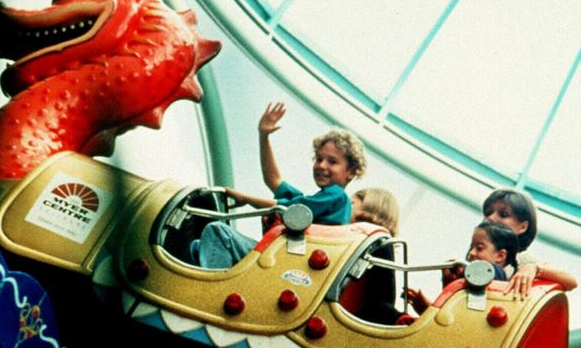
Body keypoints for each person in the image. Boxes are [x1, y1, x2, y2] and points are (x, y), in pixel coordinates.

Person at [193, 102, 367, 268]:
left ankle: (213, 291)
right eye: (319, 159)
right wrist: (264, 136)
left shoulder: (336, 196)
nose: (322, 166)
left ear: (351, 171)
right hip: (281, 258)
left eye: (332, 161)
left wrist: (245, 198)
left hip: (288, 262)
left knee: (218, 232)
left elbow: (287, 209)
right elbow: (274, 180)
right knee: (198, 247)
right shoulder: (316, 201)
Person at [476, 188, 576, 298]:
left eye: (503, 214)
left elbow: (571, 282)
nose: (490, 218)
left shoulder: (523, 259)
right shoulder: (479, 251)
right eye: (488, 212)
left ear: (523, 227)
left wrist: (534, 268)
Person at [407, 221, 520, 315]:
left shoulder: (498, 277)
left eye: (479, 248)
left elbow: (489, 272)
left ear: (500, 256)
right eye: (471, 247)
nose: (471, 252)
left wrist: (462, 273)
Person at [345, 187, 404, 325]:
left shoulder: (380, 247)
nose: (345, 207)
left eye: (351, 204)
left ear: (370, 210)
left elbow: (380, 301)